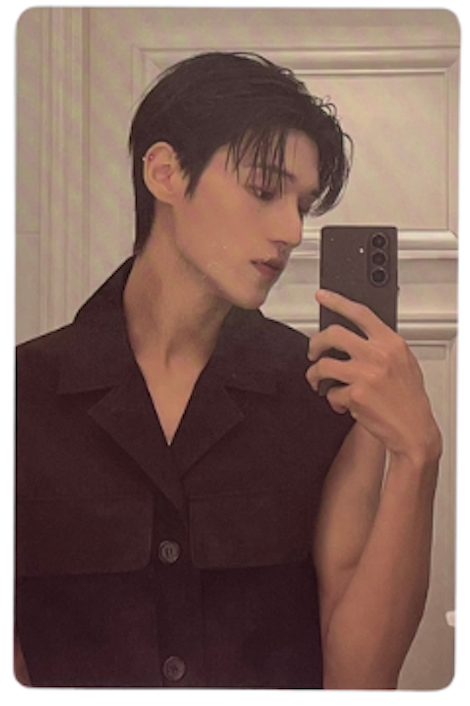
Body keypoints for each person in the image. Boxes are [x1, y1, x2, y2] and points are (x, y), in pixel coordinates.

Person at [15, 52, 442, 689]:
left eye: (303, 205)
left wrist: (417, 455)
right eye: (264, 190)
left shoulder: (325, 395)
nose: (292, 230)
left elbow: (359, 682)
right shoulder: (21, 397)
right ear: (164, 172)